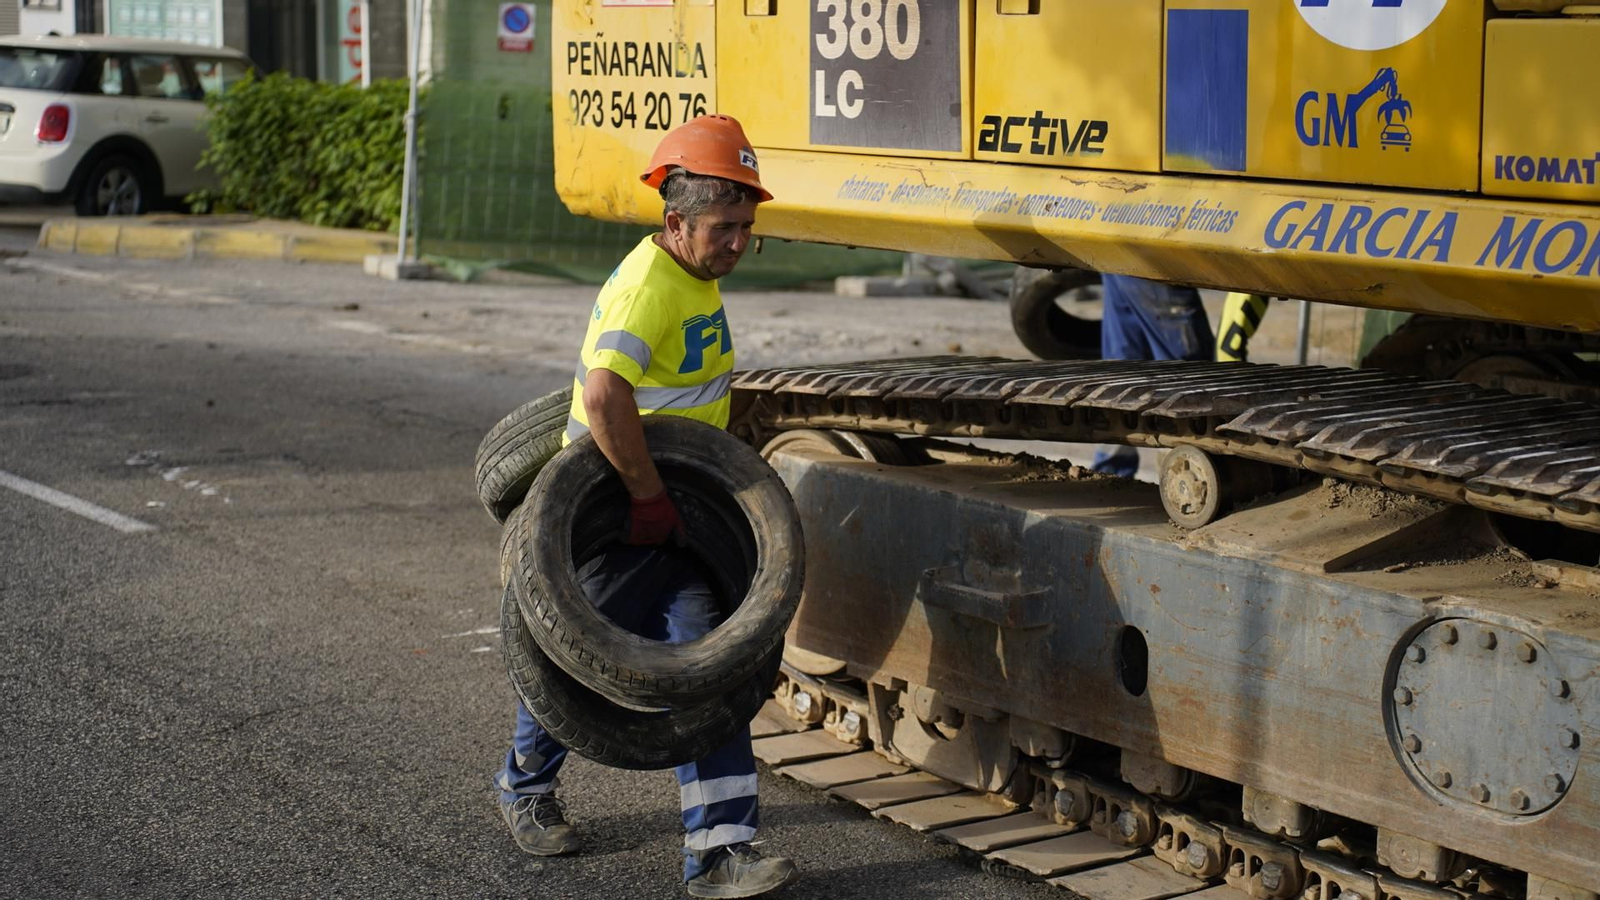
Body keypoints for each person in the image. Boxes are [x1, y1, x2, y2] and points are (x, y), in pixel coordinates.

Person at [494, 115, 798, 899]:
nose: (737, 242)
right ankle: (524, 787)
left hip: (677, 519)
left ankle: (719, 853)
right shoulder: (646, 287)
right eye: (724, 228)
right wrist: (646, 496)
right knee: (575, 672)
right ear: (676, 223)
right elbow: (603, 394)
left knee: (706, 668)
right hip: (617, 519)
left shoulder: (695, 276)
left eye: (746, 228)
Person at [1091, 274, 1216, 478]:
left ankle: (1110, 474)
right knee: (1190, 376)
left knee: (1123, 369)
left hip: (1115, 255)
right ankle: (1186, 474)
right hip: (1154, 261)